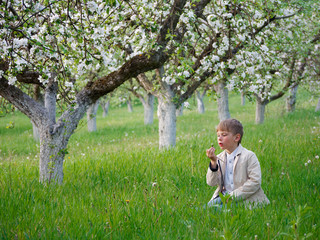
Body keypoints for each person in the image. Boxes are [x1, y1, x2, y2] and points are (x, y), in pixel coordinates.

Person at [206, 118, 270, 207]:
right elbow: (211, 183)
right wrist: (213, 162)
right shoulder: (219, 158)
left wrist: (232, 196)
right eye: (218, 135)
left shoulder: (249, 156)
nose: (219, 138)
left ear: (237, 137)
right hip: (223, 197)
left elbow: (255, 182)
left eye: (224, 135)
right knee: (206, 208)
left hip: (244, 199)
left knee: (217, 210)